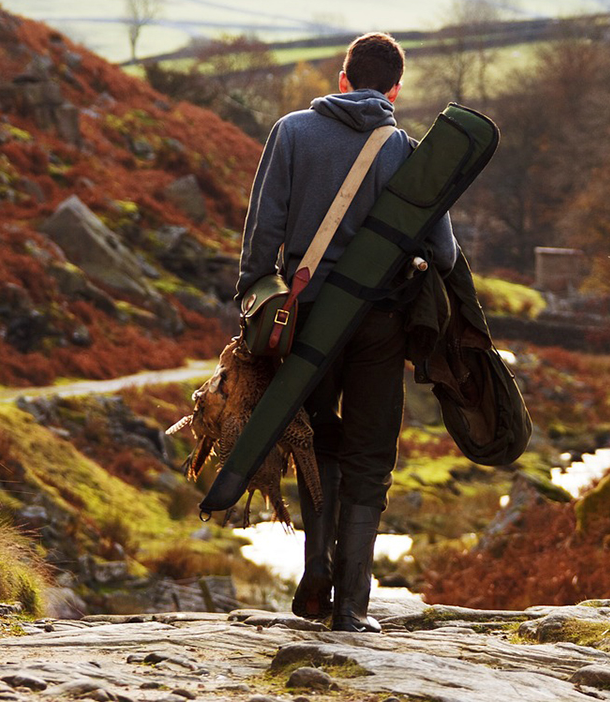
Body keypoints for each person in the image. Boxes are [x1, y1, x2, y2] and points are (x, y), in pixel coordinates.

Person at [235, 32, 456, 632]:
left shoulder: (290, 132)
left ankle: (314, 582)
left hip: (306, 319)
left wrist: (257, 303)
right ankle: (352, 607)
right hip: (379, 323)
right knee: (369, 454)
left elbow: (262, 233)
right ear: (394, 89)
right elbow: (442, 248)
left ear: (341, 79)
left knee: (315, 445)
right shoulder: (407, 151)